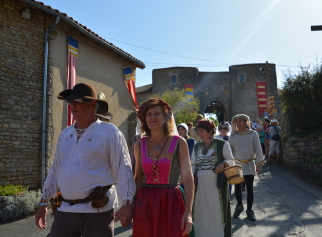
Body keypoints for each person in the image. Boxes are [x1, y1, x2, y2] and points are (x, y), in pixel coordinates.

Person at [35, 83, 135, 237]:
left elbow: (124, 169)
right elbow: (55, 171)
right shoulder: (65, 134)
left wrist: (128, 205)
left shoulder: (109, 132)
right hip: (65, 211)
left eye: (78, 102)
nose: (73, 105)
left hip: (98, 213)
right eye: (71, 102)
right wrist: (43, 202)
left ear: (92, 104)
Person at [132, 98, 194, 237]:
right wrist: (131, 207)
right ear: (144, 119)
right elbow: (137, 179)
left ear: (166, 117)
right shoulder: (138, 145)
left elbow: (188, 179)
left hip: (172, 201)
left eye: (157, 113)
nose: (153, 117)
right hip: (145, 202)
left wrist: (188, 213)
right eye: (149, 114)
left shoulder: (180, 143)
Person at [191, 119, 233, 237]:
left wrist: (223, 164)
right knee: (201, 212)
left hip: (216, 188)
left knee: (215, 213)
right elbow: (193, 165)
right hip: (200, 188)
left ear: (210, 132)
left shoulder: (222, 144)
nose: (199, 134)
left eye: (202, 131)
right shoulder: (197, 146)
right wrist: (190, 180)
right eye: (198, 131)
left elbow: (232, 161)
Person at [229, 114, 265, 222]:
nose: (238, 123)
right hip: (237, 165)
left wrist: (258, 164)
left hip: (249, 165)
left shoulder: (253, 134)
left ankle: (249, 210)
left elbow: (258, 149)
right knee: (237, 189)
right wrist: (229, 164)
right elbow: (229, 150)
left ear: (246, 123)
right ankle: (239, 206)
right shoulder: (233, 135)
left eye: (241, 121)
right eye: (237, 121)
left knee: (250, 189)